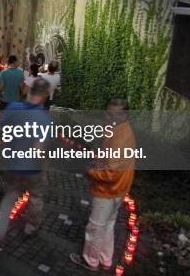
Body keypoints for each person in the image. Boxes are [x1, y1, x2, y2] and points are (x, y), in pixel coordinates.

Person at [70, 99, 136, 272]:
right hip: (120, 188)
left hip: (108, 189)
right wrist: (97, 156)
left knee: (95, 226)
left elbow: (111, 172)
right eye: (109, 113)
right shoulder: (121, 130)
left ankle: (90, 260)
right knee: (108, 223)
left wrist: (90, 171)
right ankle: (105, 259)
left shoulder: (120, 136)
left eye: (116, 114)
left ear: (126, 115)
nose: (111, 118)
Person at [0, 78, 52, 247]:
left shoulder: (13, 108)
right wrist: (44, 171)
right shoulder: (44, 119)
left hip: (12, 165)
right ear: (45, 95)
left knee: (8, 198)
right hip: (32, 169)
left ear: (30, 90)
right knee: (36, 197)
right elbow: (39, 150)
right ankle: (31, 227)